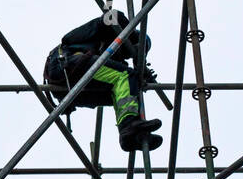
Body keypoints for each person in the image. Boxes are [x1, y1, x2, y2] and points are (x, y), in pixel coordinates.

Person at [43, 9, 163, 152]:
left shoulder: (112, 57)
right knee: (125, 76)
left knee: (124, 88)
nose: (127, 54)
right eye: (132, 48)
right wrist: (127, 30)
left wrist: (140, 76)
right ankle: (130, 125)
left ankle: (131, 134)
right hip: (68, 65)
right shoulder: (103, 31)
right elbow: (111, 16)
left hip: (71, 90)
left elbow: (127, 84)